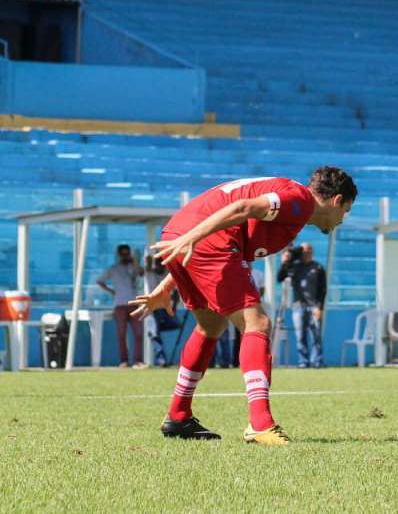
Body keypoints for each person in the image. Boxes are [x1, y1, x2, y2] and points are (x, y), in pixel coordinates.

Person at [130, 168, 357, 445]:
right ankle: (260, 424)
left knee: (210, 325)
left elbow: (216, 224)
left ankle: (178, 415)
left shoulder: (293, 206)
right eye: (346, 211)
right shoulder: (300, 201)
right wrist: (191, 238)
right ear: (336, 201)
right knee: (257, 323)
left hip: (187, 235)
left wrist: (167, 284)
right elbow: (244, 207)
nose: (342, 220)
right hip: (201, 238)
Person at [278, 242, 327, 368]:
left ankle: (317, 361)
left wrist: (319, 307)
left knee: (316, 335)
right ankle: (303, 362)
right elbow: (280, 278)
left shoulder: (318, 268)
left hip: (314, 306)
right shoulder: (295, 267)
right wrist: (284, 262)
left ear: (312, 252)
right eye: (304, 251)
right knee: (300, 336)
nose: (306, 253)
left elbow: (323, 289)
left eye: (309, 250)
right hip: (298, 306)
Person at [97, 244, 145, 368]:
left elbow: (141, 272)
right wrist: (111, 291)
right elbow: (100, 281)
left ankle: (138, 361)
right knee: (121, 334)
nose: (125, 256)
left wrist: (134, 261)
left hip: (134, 304)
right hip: (120, 305)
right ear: (119, 255)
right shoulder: (113, 269)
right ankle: (124, 361)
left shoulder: (133, 267)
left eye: (127, 254)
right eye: (123, 254)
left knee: (138, 334)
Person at [144, 255, 179, 368]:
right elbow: (148, 263)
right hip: (152, 309)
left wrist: (174, 307)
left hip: (165, 310)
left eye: (162, 263)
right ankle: (161, 360)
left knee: (176, 325)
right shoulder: (150, 274)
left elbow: (176, 293)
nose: (160, 265)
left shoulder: (167, 275)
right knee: (154, 334)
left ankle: (157, 330)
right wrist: (150, 253)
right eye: (158, 263)